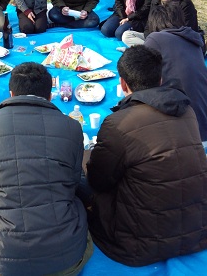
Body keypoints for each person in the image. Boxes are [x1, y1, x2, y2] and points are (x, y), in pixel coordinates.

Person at [83, 45, 207, 267]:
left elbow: (99, 181)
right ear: (160, 79)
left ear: (123, 84)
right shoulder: (186, 109)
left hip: (138, 243)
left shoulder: (118, 124)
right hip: (197, 230)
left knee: (85, 171)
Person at [0, 62, 92, 276]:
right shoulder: (72, 127)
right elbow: (74, 186)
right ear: (50, 96)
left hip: (3, 260)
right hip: (66, 259)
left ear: (11, 93)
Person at [144, 2, 207, 142]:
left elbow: (140, 73)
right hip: (203, 122)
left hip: (185, 133)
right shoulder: (193, 40)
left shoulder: (155, 39)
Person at [122, 0, 203, 48]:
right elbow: (149, 27)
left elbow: (189, 32)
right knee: (127, 35)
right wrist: (152, 40)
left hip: (180, 42)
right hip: (159, 40)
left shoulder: (184, 4)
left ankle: (147, 52)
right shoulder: (155, 2)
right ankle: (150, 52)